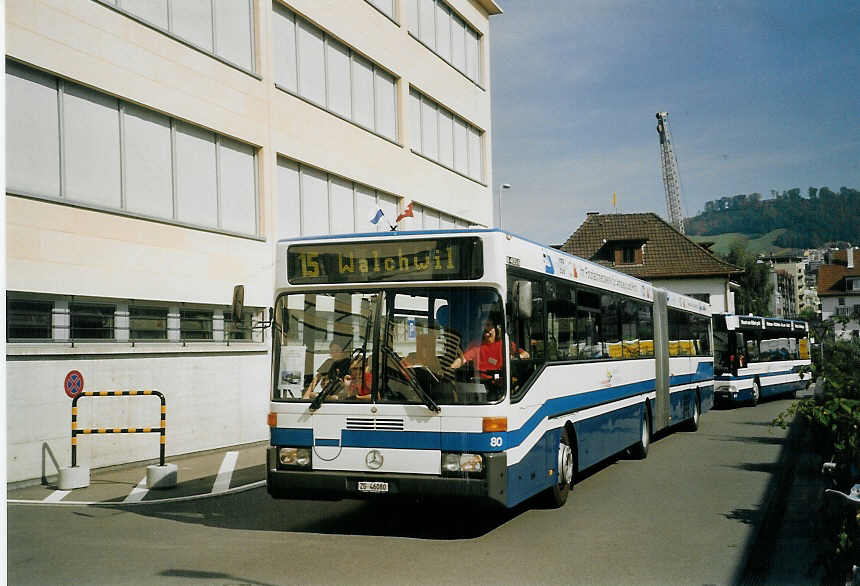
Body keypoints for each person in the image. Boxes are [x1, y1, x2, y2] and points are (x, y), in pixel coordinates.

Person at [450, 313, 529, 379]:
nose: (485, 328)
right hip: (481, 385)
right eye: (483, 326)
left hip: (502, 385)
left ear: (496, 328)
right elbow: (462, 359)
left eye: (488, 325)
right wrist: (451, 368)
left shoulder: (505, 344)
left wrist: (513, 358)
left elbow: (526, 354)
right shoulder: (475, 346)